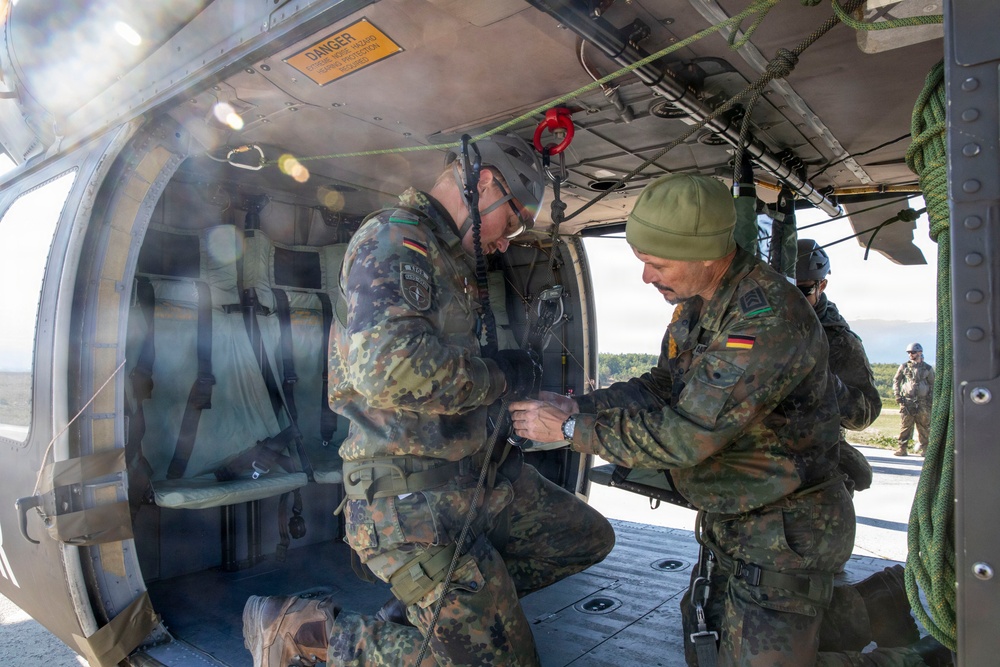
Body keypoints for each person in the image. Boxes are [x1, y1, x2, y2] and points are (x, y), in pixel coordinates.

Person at [509, 174, 950, 667]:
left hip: (785, 527)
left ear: (704, 254)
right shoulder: (696, 306)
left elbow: (687, 437)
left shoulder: (764, 319)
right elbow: (662, 385)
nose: (647, 277)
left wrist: (571, 432)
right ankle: (888, 597)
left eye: (657, 263)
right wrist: (580, 407)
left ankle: (932, 655)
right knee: (720, 646)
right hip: (736, 515)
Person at [241, 132, 615, 667]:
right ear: (483, 183)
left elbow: (448, 374)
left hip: (475, 480)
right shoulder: (394, 240)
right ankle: (305, 633)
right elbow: (390, 373)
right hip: (410, 499)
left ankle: (464, 614)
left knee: (585, 537)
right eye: (509, 222)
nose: (507, 241)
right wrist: (501, 377)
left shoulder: (448, 256)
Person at [796, 239, 881, 492]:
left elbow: (863, 415)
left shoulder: (840, 342)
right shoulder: (752, 326)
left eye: (802, 292)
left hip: (815, 468)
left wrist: (822, 380)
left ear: (821, 285)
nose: (791, 300)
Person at [893, 342, 934, 456]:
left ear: (920, 353)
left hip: (923, 402)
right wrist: (897, 395)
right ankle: (902, 448)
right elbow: (896, 381)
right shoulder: (904, 367)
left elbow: (932, 384)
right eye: (909, 352)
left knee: (924, 426)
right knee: (905, 425)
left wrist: (930, 400)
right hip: (907, 401)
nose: (911, 354)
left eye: (913, 352)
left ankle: (925, 448)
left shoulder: (928, 368)